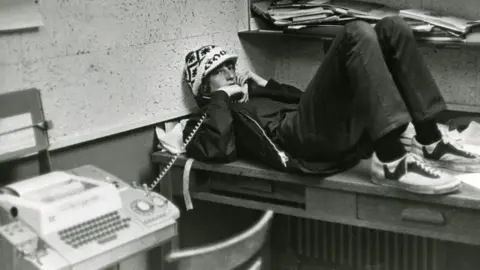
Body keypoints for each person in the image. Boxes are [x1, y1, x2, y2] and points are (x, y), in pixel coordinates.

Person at [182, 16, 480, 195]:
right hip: (298, 141)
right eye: (220, 72)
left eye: (231, 66)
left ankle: (432, 141)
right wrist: (221, 98)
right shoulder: (207, 119)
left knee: (392, 27)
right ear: (204, 87)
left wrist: (264, 84)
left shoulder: (253, 96)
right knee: (355, 33)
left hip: (315, 127)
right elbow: (217, 149)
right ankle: (393, 162)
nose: (232, 73)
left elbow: (302, 99)